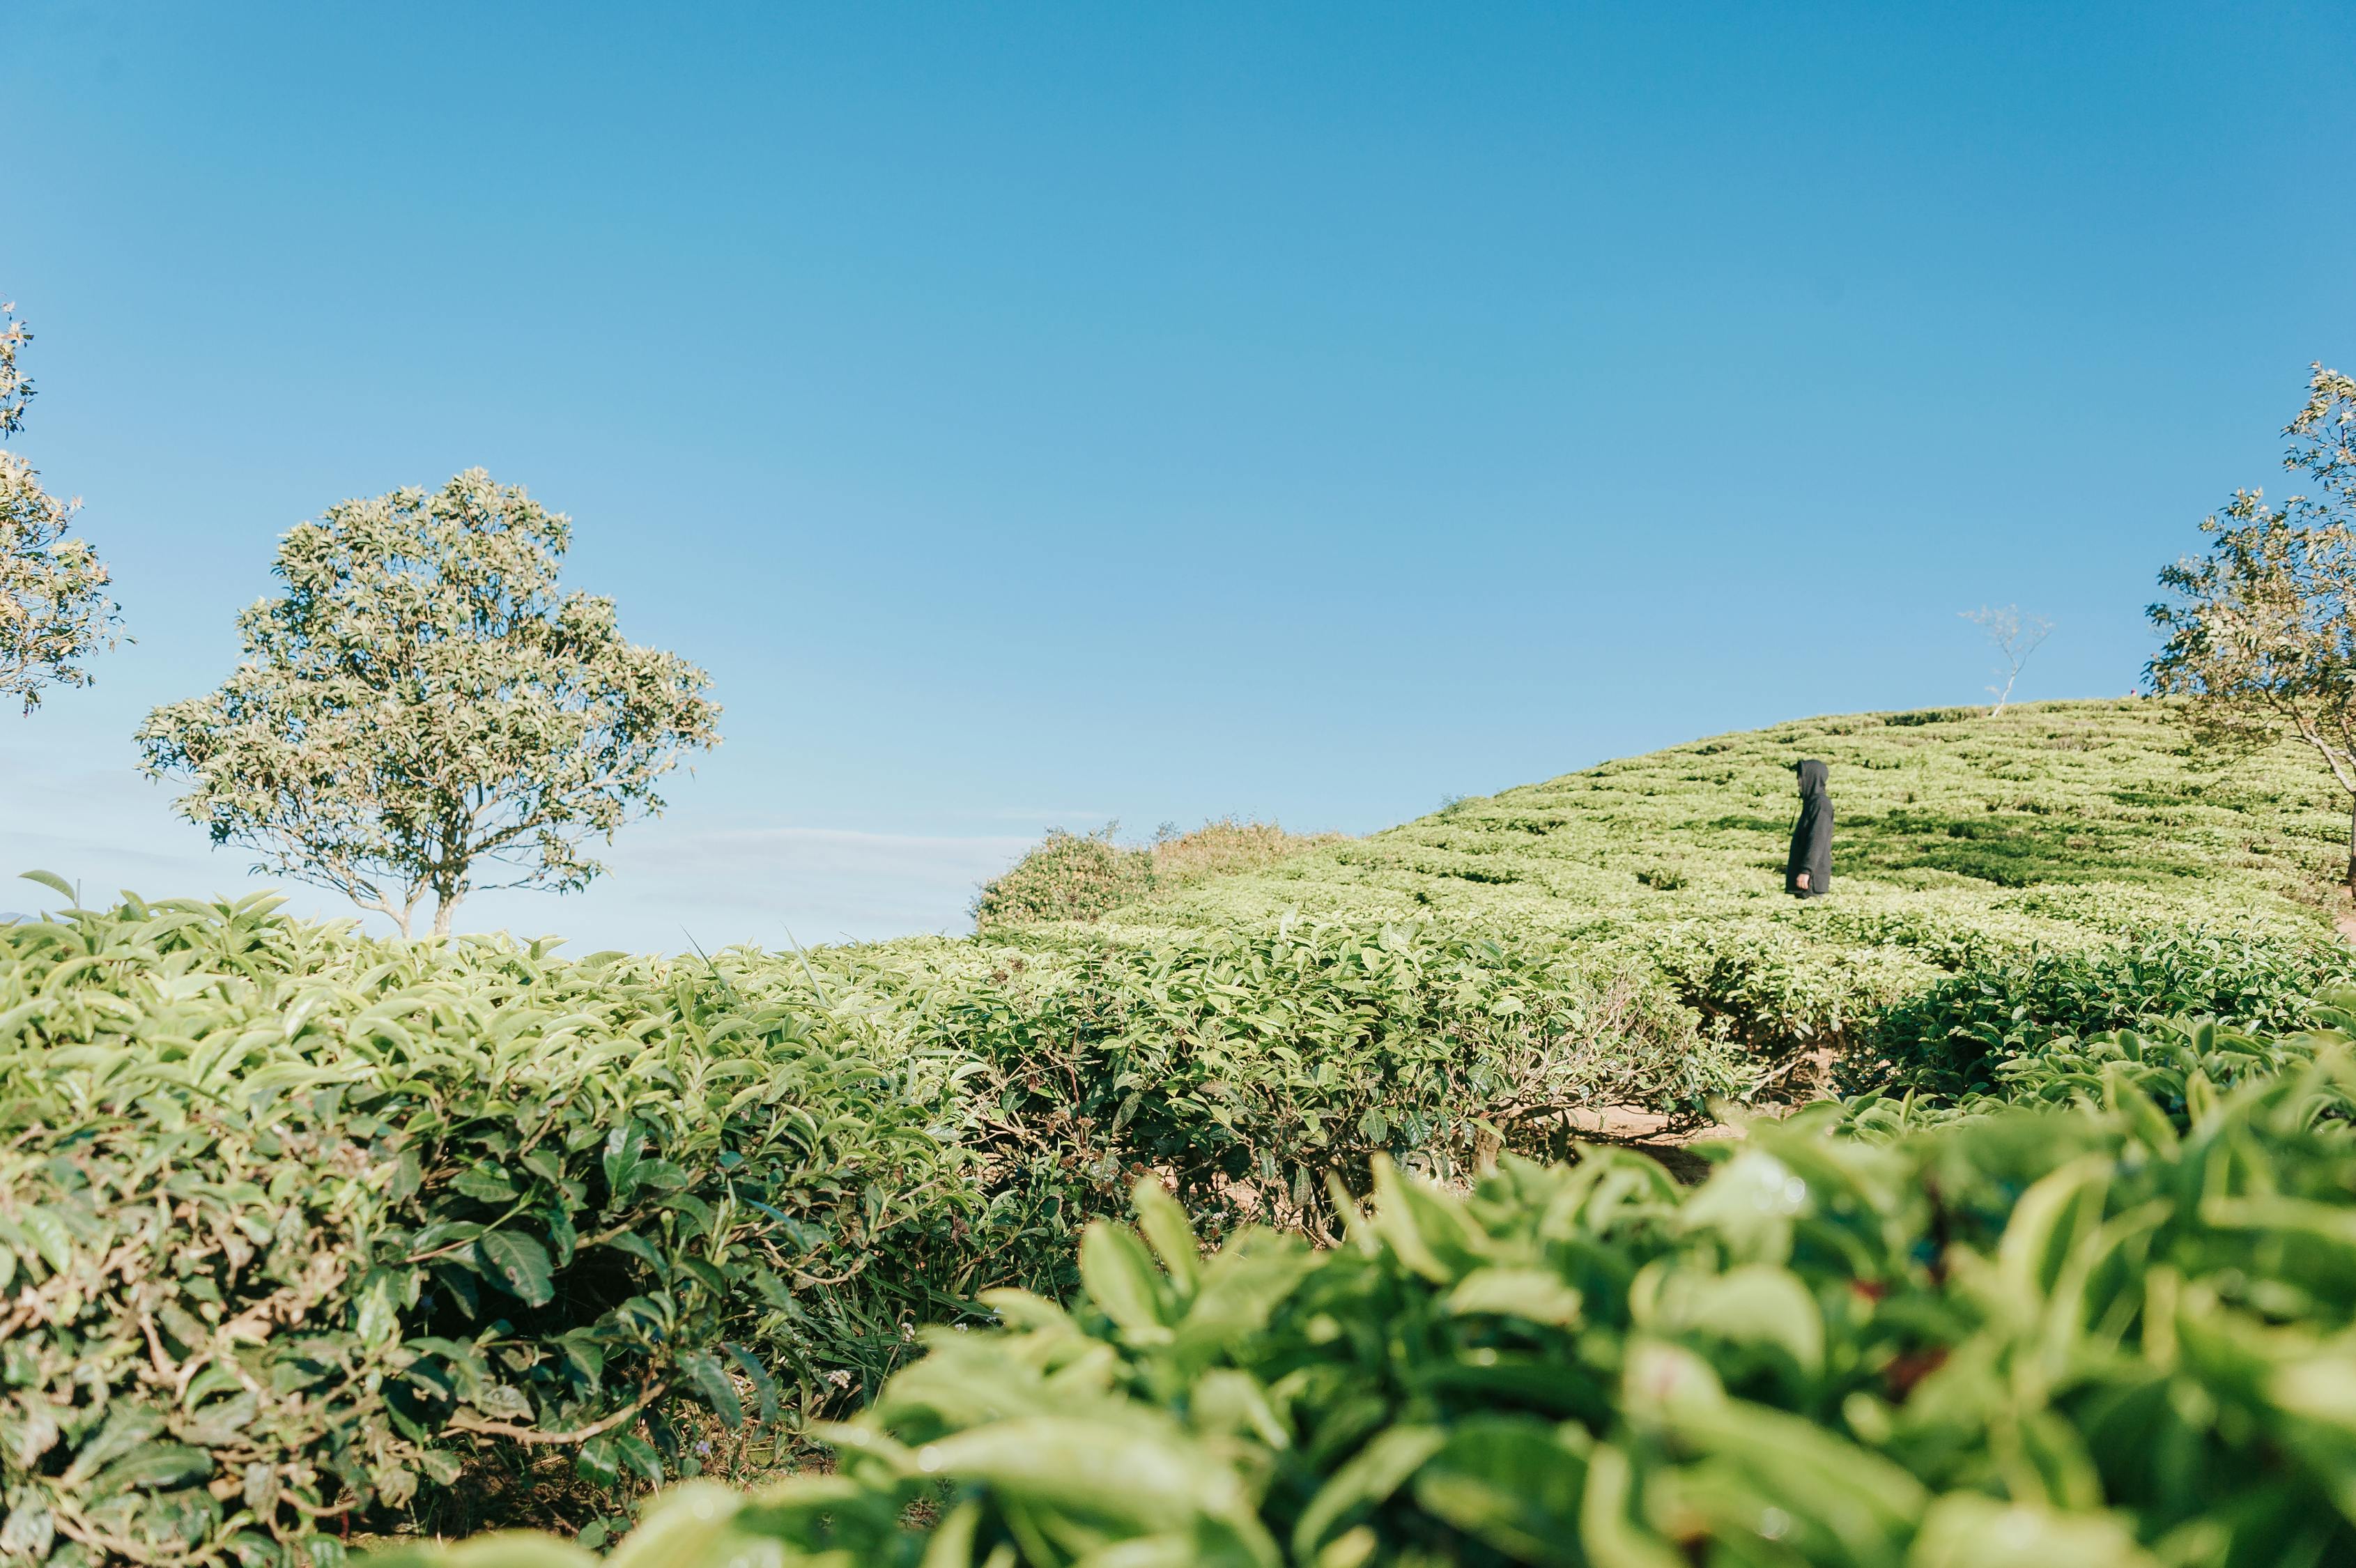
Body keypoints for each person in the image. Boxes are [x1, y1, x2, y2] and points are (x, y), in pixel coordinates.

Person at [1785, 758, 1832, 898]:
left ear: (1812, 778)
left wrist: (1806, 871)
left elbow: (1817, 839)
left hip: (1811, 882)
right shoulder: (1811, 804)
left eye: (1802, 777)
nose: (1799, 782)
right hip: (1808, 880)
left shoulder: (1820, 804)